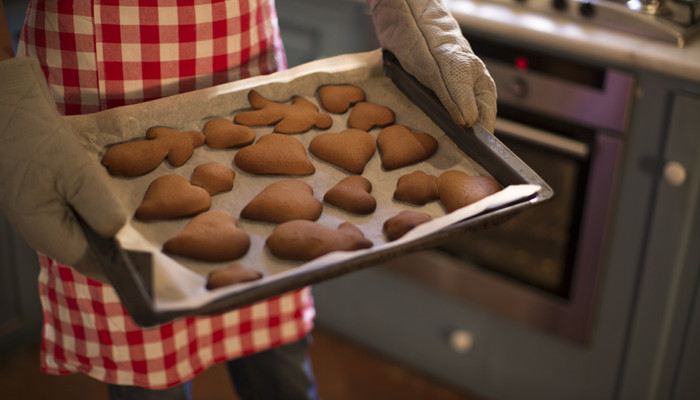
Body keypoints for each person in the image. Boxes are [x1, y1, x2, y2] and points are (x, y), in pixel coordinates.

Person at [0, 0, 496, 399]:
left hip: (249, 72)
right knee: (151, 362)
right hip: (101, 97)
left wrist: (408, 6)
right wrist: (8, 100)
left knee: (280, 357)